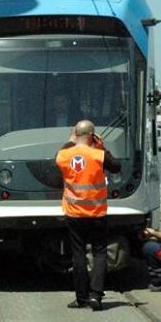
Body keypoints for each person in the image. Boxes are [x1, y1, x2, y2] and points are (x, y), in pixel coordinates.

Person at [56, 119, 121, 311]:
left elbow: (60, 155)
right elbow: (116, 166)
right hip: (97, 213)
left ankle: (81, 297)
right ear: (92, 136)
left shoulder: (64, 155)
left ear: (75, 135)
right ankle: (96, 296)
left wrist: (71, 141)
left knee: (78, 254)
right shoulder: (99, 155)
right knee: (100, 252)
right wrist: (101, 146)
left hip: (74, 214)